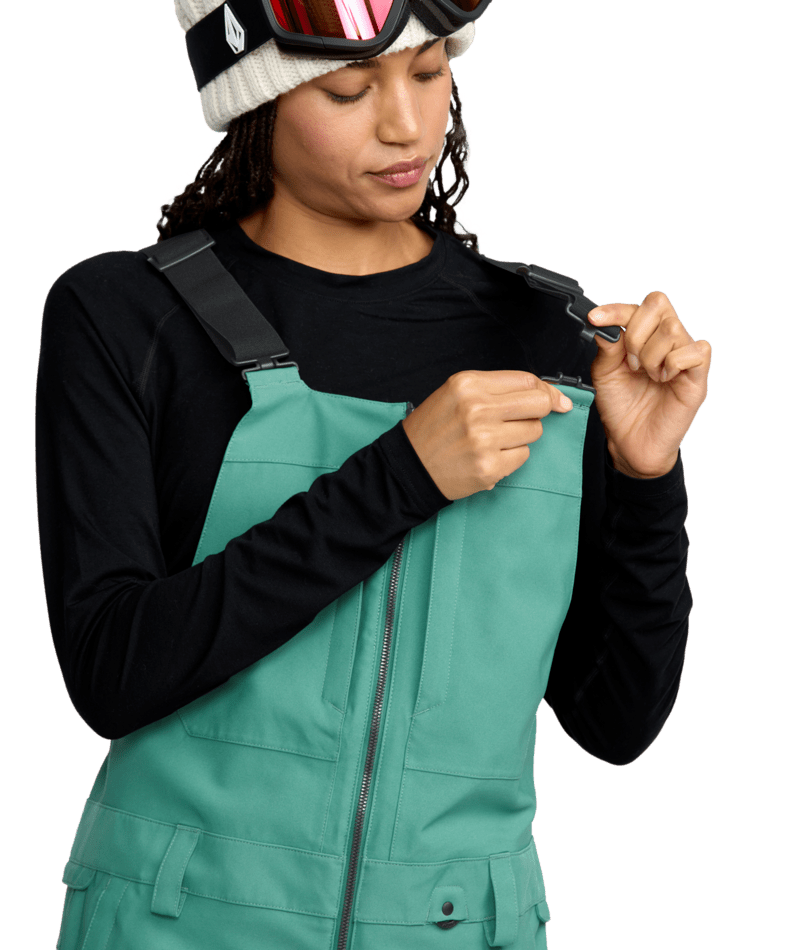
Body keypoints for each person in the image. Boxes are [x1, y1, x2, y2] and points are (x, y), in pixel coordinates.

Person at [36, 2, 712, 948]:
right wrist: (403, 475)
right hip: (180, 925)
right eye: (349, 90)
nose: (406, 126)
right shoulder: (127, 316)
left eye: (430, 72)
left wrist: (646, 477)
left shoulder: (544, 336)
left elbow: (617, 722)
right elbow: (113, 670)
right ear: (260, 101)